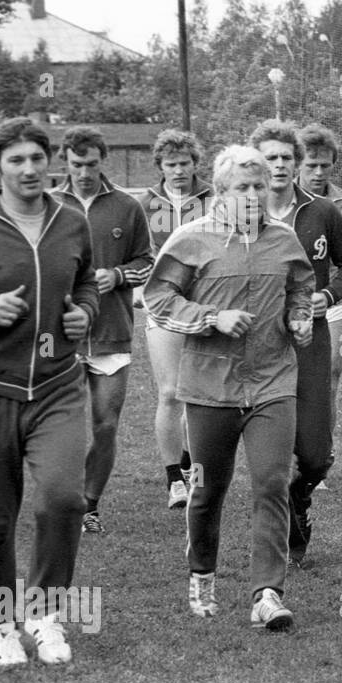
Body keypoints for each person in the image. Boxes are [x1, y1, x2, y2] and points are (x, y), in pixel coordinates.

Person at [145, 145, 315, 629]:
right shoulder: (191, 239)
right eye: (243, 186)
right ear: (220, 192)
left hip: (272, 382)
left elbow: (300, 288)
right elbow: (158, 298)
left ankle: (267, 593)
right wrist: (210, 318)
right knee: (207, 490)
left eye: (260, 185)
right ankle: (202, 573)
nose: (254, 194)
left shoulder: (283, 240)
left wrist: (299, 318)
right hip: (208, 388)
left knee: (271, 483)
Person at [0, 117, 97, 667]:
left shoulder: (70, 219)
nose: (30, 169)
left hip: (58, 384)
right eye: (16, 160)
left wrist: (86, 311)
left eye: (37, 157)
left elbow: (85, 281)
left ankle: (46, 613)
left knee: (62, 497)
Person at [250, 119, 342, 568]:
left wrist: (327, 295)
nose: (279, 165)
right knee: (271, 457)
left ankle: (302, 497)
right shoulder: (239, 212)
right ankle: (280, 543)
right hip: (257, 347)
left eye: (285, 157)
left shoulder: (322, 212)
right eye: (270, 158)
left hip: (310, 341)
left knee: (315, 456)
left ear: (296, 164)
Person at [50, 127, 153, 536]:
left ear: (102, 161)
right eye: (76, 164)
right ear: (65, 163)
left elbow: (147, 261)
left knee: (105, 424)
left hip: (112, 332)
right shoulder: (50, 205)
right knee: (63, 428)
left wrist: (119, 274)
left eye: (91, 164)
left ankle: (89, 504)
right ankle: (62, 498)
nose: (84, 172)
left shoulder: (128, 206)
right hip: (60, 336)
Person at [139, 129, 213, 510]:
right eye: (171, 164)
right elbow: (138, 256)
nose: (179, 170)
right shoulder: (146, 203)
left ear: (195, 164)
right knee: (169, 392)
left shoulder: (215, 199)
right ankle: (174, 480)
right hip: (164, 306)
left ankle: (190, 465)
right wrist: (139, 283)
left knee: (198, 392)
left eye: (185, 163)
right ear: (160, 167)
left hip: (204, 307)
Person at [297, 122, 342, 480]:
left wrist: (329, 294)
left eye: (325, 165)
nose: (317, 172)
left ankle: (320, 456)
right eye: (310, 164)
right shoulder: (275, 200)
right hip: (282, 304)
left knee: (329, 378)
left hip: (328, 304)